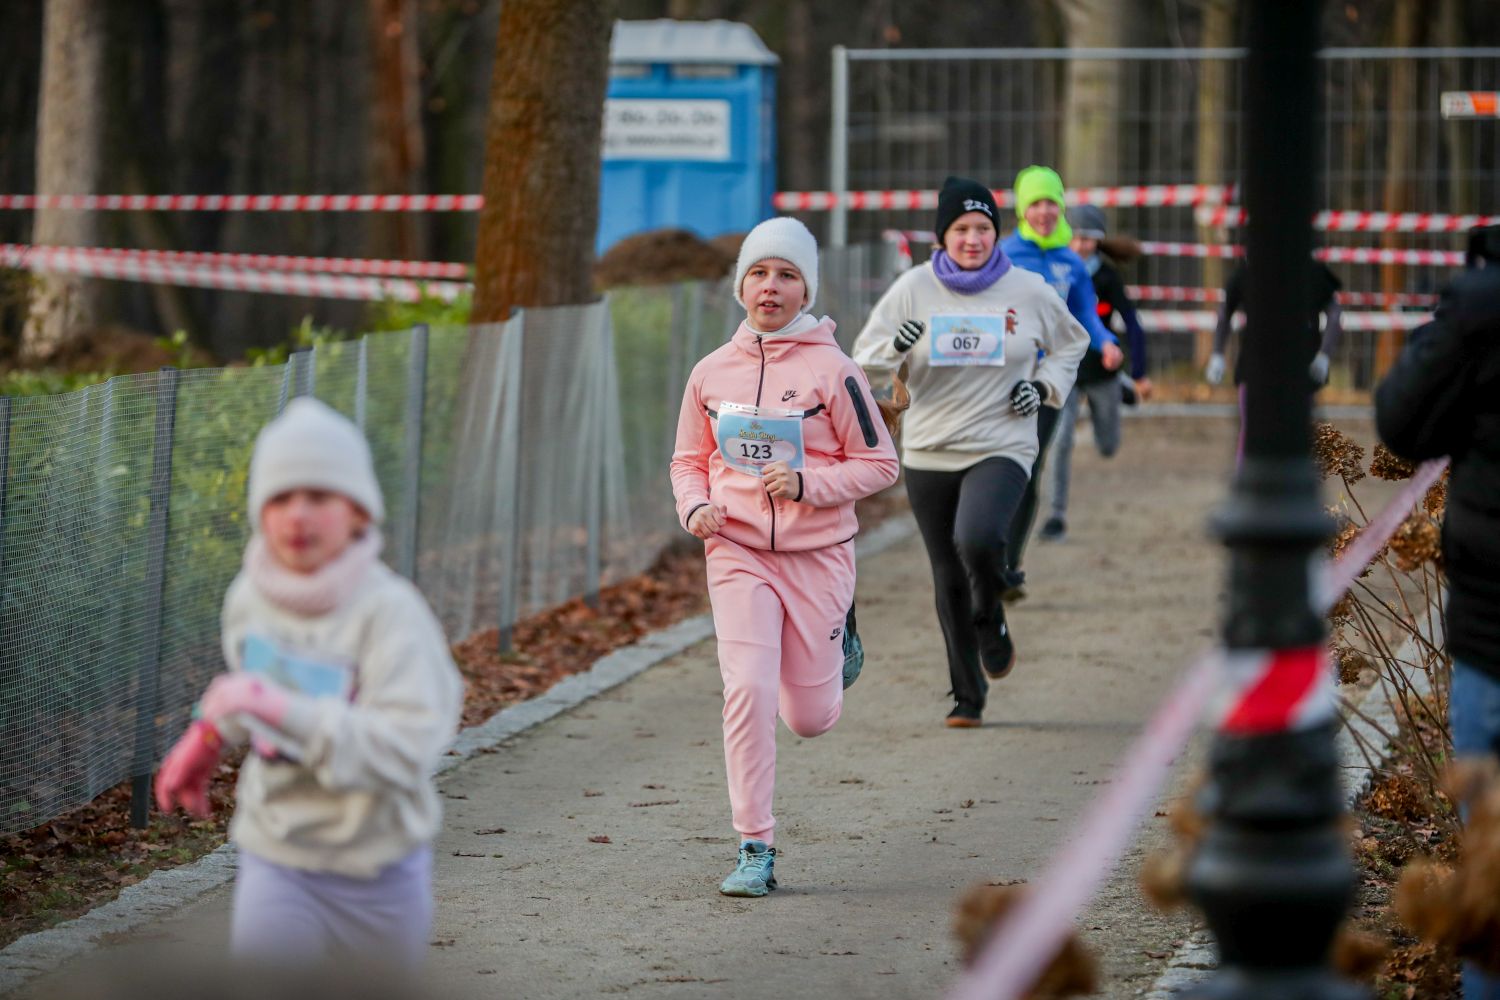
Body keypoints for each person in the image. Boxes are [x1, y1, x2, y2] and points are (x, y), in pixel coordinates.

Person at [155, 398, 464, 970]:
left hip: (377, 866)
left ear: (358, 512)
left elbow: (409, 744)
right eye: (279, 498)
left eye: (319, 496)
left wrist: (278, 708)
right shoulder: (249, 598)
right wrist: (209, 734)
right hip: (278, 853)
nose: (297, 515)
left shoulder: (390, 613)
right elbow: (249, 692)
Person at [669, 217, 899, 897]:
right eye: (759, 273)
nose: (771, 286)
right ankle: (754, 846)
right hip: (736, 549)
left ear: (807, 290)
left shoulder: (835, 371)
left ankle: (840, 640)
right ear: (741, 286)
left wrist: (807, 484)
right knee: (748, 689)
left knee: (810, 718)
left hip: (818, 555)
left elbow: (880, 463)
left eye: (787, 275)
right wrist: (694, 507)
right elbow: (688, 460)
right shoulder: (711, 372)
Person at [852, 176, 1088, 728]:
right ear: (942, 236)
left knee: (978, 538)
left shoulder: (1028, 290)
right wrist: (896, 346)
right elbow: (863, 359)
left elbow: (1072, 341)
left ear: (996, 234)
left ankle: (991, 616)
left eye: (983, 228)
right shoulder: (913, 288)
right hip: (930, 448)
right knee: (947, 573)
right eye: (961, 229)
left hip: (1002, 440)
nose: (973, 239)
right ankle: (967, 695)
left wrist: (1045, 386)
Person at [1375, 223, 1500, 1000]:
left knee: (1491, 859)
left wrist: (1456, 314)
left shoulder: (1483, 310)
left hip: (1493, 633)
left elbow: (1404, 422)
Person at [998, 167, 1123, 596]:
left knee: (1028, 469)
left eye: (1052, 202)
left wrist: (1106, 342)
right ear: (1022, 208)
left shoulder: (1070, 262)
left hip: (1046, 384)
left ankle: (1009, 566)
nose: (1045, 211)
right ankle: (985, 552)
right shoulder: (1003, 255)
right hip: (999, 383)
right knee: (996, 467)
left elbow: (1084, 312)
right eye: (1036, 203)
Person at [1040, 204, 1153, 542]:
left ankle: (1122, 385)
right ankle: (1056, 516)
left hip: (1102, 369)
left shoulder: (1107, 276)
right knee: (1060, 441)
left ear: (1098, 241)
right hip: (1065, 370)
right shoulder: (1054, 271)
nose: (1080, 244)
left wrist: (1141, 372)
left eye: (1088, 239)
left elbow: (1132, 323)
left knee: (1107, 446)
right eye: (1074, 237)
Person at [1204, 255, 1343, 463]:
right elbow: (1226, 310)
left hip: (1298, 370)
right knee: (1255, 435)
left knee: (1298, 436)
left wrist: (1324, 356)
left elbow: (1335, 314)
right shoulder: (1249, 272)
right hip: (1258, 369)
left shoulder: (1311, 272)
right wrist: (1217, 354)